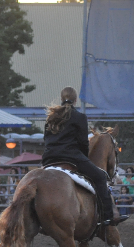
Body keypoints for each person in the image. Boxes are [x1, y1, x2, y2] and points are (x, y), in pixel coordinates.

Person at [41, 86, 128, 226]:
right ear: (75, 100)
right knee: (100, 177)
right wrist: (84, 157)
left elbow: (46, 140)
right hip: (71, 157)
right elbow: (83, 142)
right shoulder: (79, 117)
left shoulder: (51, 117)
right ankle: (107, 216)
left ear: (61, 99)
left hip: (49, 159)